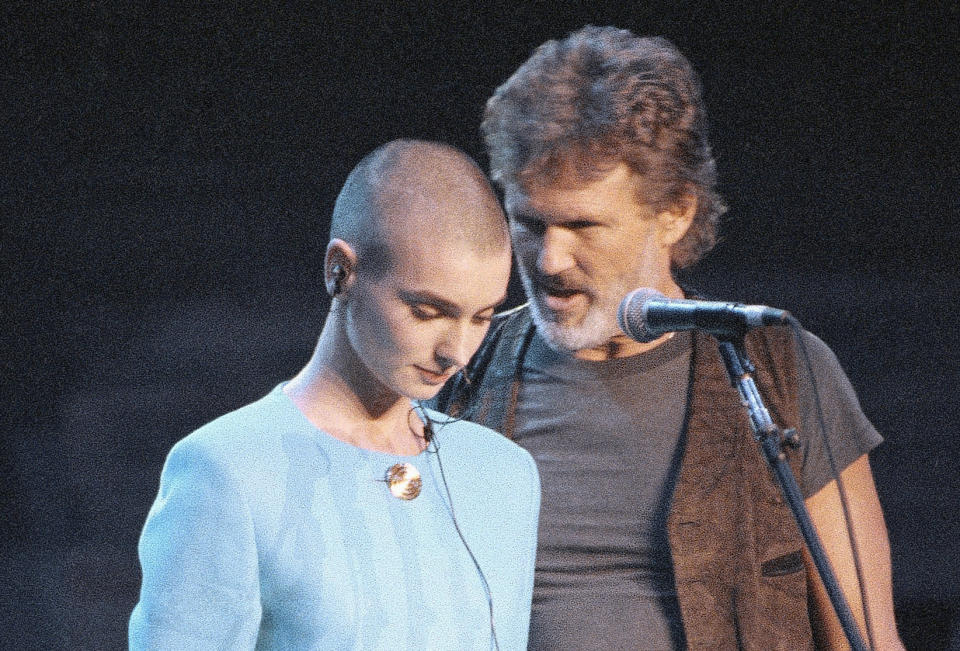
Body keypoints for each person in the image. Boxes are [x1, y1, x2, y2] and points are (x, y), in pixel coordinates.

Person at [431, 26, 905, 650]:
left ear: (675, 212)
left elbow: (865, 639)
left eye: (583, 225)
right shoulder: (461, 372)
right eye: (528, 221)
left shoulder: (779, 370)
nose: (549, 259)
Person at [129, 140, 540, 650]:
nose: (456, 352)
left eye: (481, 317)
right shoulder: (229, 470)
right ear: (341, 271)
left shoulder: (502, 474)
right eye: (428, 311)